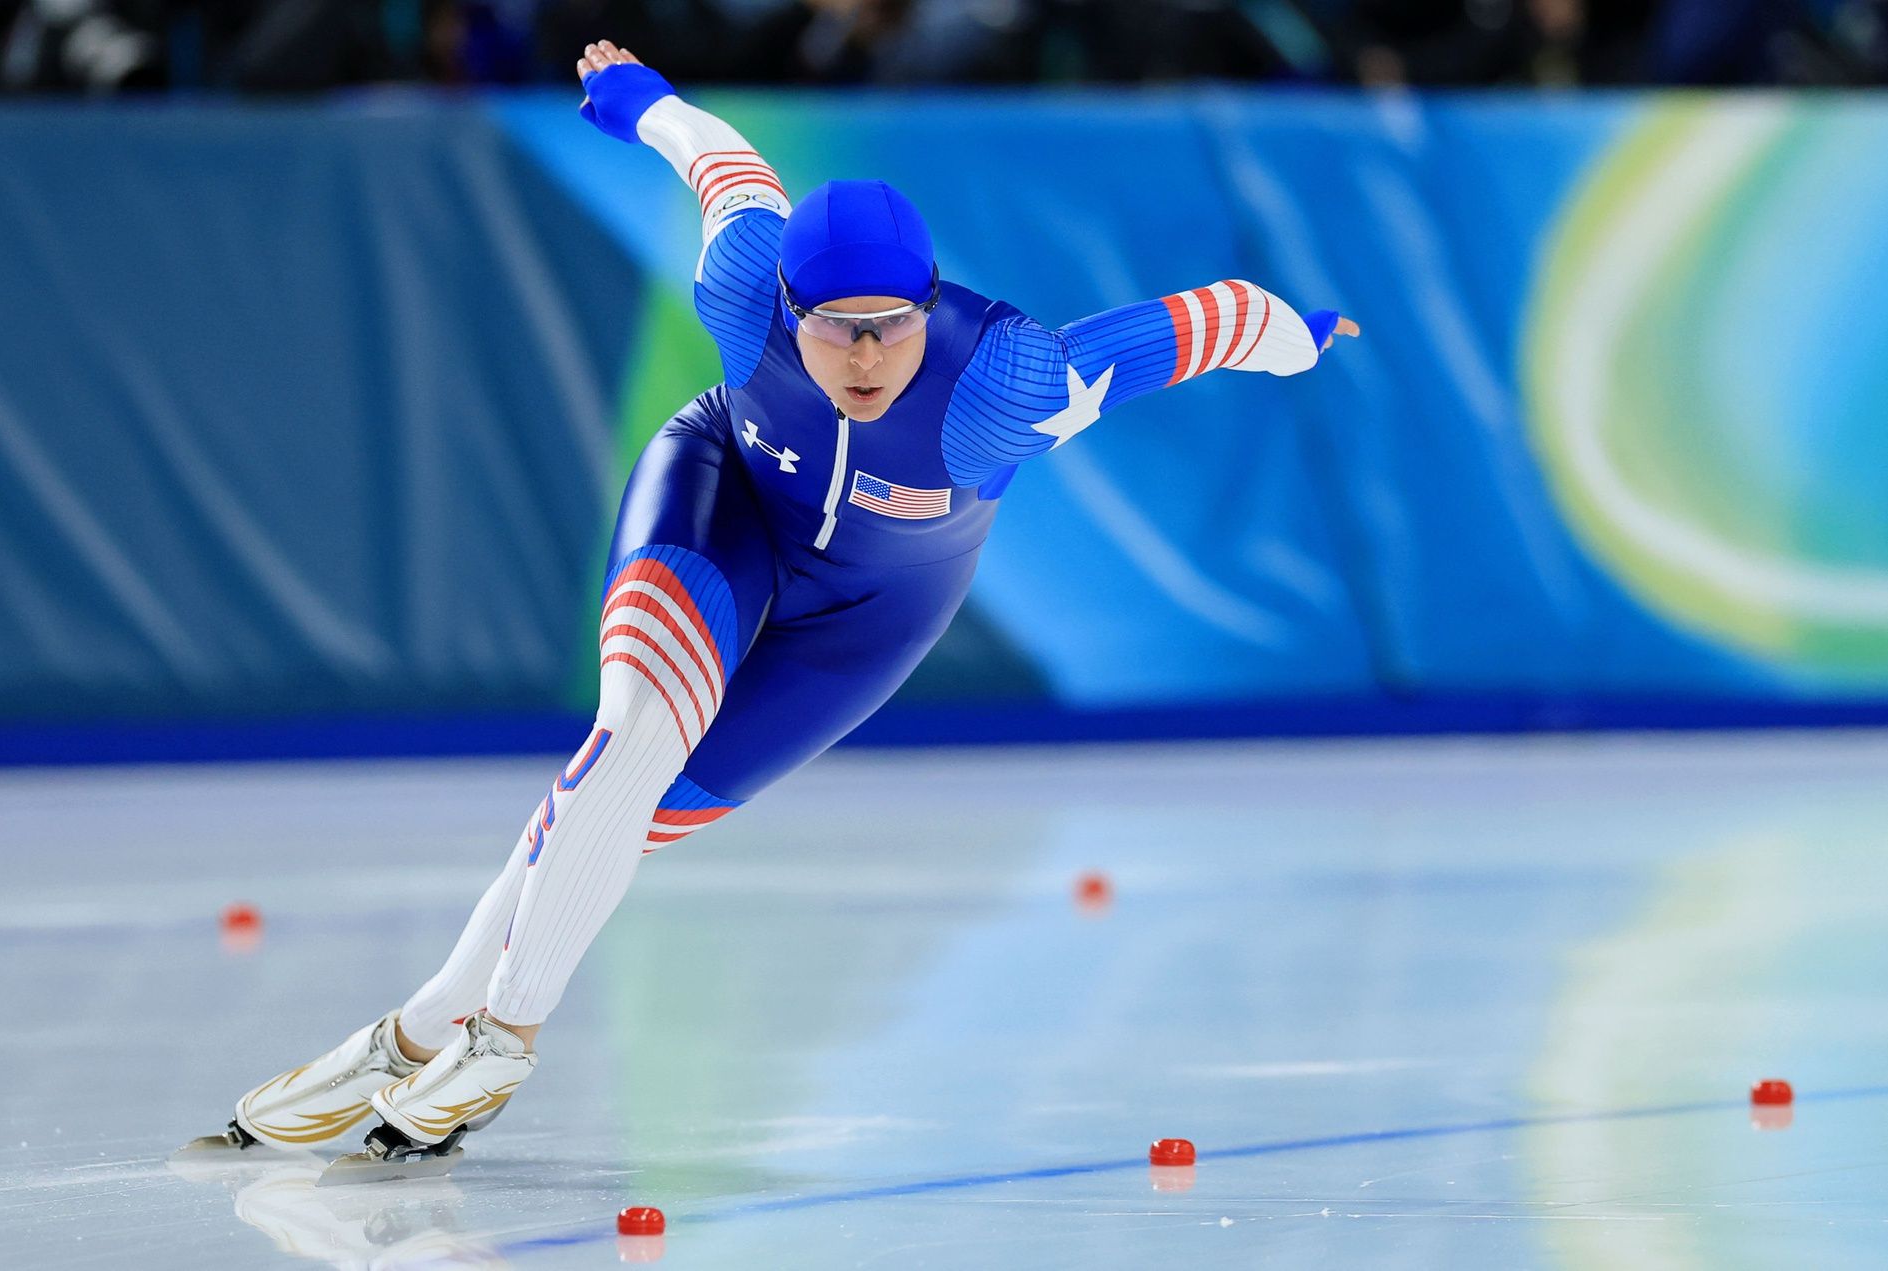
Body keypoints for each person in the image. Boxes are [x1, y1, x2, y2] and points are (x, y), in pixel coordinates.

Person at [189, 39, 1359, 1181]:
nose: (864, 356)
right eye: (836, 325)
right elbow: (721, 164)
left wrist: (1303, 339)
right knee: (629, 741)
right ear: (784, 300)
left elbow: (1204, 323)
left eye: (893, 323)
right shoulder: (741, 278)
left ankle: (417, 1029)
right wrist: (637, 96)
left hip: (869, 615)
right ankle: (499, 1041)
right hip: (723, 500)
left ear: (930, 300)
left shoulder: (1007, 384)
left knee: (628, 820)